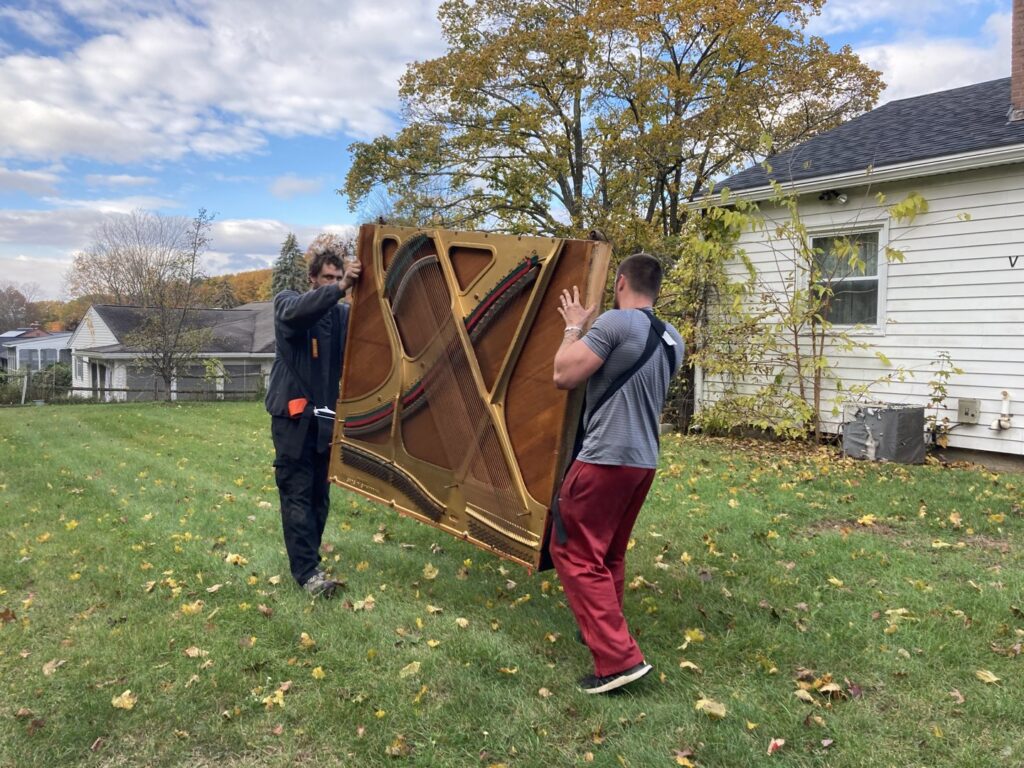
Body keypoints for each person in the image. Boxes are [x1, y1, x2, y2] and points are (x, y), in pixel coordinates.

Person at [551, 252, 684, 693]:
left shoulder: (615, 322)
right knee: (608, 555)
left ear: (621, 281)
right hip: (642, 462)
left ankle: (617, 659)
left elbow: (564, 375)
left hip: (606, 457)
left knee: (572, 550)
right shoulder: (673, 338)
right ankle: (603, 632)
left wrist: (574, 326)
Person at [265, 237, 361, 597]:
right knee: (297, 493)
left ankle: (310, 561)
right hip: (293, 420)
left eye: (338, 276)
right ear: (313, 279)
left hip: (326, 421)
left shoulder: (342, 316)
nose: (334, 282)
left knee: (320, 496)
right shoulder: (287, 303)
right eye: (328, 278)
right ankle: (306, 573)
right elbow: (299, 312)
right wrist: (341, 288)